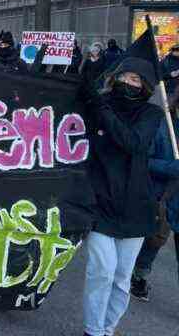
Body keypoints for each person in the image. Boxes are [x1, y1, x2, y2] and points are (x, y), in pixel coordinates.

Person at [82, 58, 163, 336]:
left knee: (120, 278)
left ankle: (108, 328)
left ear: (146, 87)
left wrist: (102, 109)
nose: (128, 83)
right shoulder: (97, 105)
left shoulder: (152, 114)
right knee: (101, 271)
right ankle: (93, 331)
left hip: (134, 207)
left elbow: (133, 142)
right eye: (124, 77)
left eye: (136, 80)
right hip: (98, 203)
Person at [129, 88, 179, 302]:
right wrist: (171, 167)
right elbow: (143, 160)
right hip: (160, 196)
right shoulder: (161, 124)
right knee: (155, 238)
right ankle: (138, 275)